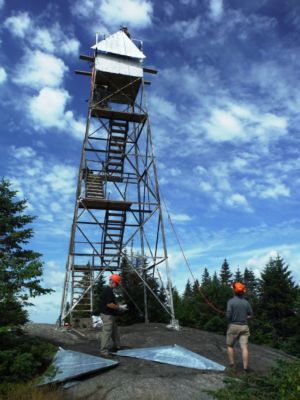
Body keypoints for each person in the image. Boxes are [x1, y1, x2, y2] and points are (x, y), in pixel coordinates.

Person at [226, 282, 253, 373]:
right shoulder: (246, 302)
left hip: (233, 326)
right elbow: (250, 315)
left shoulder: (231, 301)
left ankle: (232, 366)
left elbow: (228, 315)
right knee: (244, 347)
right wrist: (245, 317)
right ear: (242, 292)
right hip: (244, 327)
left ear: (234, 291)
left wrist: (229, 316)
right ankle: (245, 368)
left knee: (230, 346)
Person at [99, 274, 127, 357]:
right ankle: (103, 351)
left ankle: (117, 346)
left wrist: (118, 305)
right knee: (107, 333)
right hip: (107, 315)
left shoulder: (109, 290)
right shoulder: (108, 291)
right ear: (114, 282)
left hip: (110, 314)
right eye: (117, 283)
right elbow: (109, 304)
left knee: (114, 331)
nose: (117, 285)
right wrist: (119, 307)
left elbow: (111, 302)